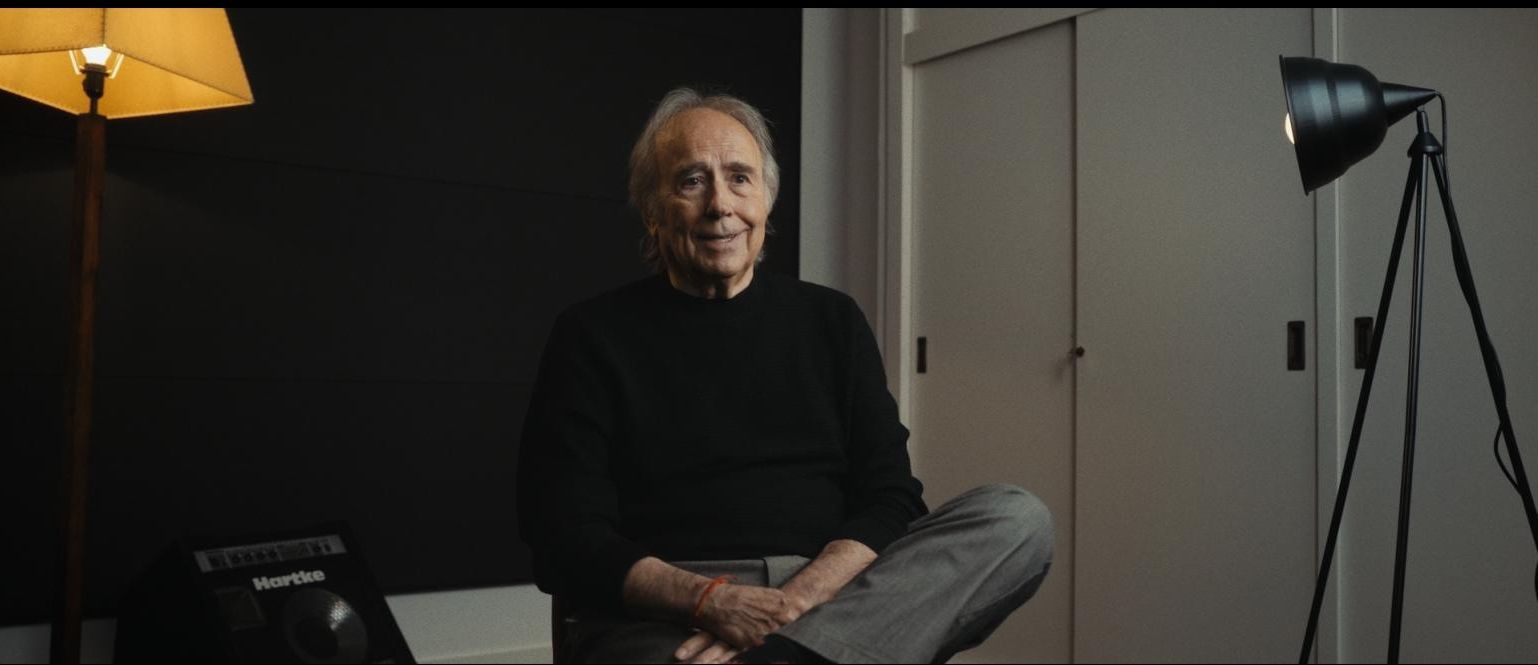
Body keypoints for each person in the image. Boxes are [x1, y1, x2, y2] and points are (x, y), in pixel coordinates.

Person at [517, 87, 1053, 664]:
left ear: (766, 200)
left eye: (740, 178)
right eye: (692, 181)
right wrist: (710, 602)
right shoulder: (591, 335)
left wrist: (792, 606)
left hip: (832, 596)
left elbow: (891, 497)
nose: (720, 205)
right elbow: (564, 532)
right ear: (652, 209)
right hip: (667, 613)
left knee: (1015, 519)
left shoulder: (832, 320)